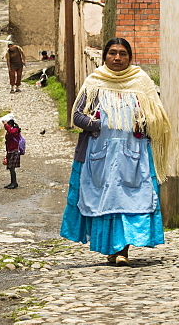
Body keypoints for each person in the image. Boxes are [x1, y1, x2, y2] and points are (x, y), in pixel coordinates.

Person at [60, 38, 171, 267]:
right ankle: (112, 249)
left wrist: (143, 122)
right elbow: (77, 116)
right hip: (99, 155)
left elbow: (157, 117)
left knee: (129, 200)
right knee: (104, 200)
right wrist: (100, 124)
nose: (117, 58)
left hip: (133, 154)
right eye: (112, 53)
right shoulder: (95, 83)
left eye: (122, 53)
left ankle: (123, 250)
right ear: (105, 57)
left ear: (130, 57)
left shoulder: (141, 82)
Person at [2, 116, 23, 189]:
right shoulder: (11, 130)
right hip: (10, 151)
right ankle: (13, 182)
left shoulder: (15, 130)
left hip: (14, 151)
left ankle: (14, 183)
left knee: (11, 167)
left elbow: (10, 132)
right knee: (10, 167)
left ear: (10, 124)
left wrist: (5, 125)